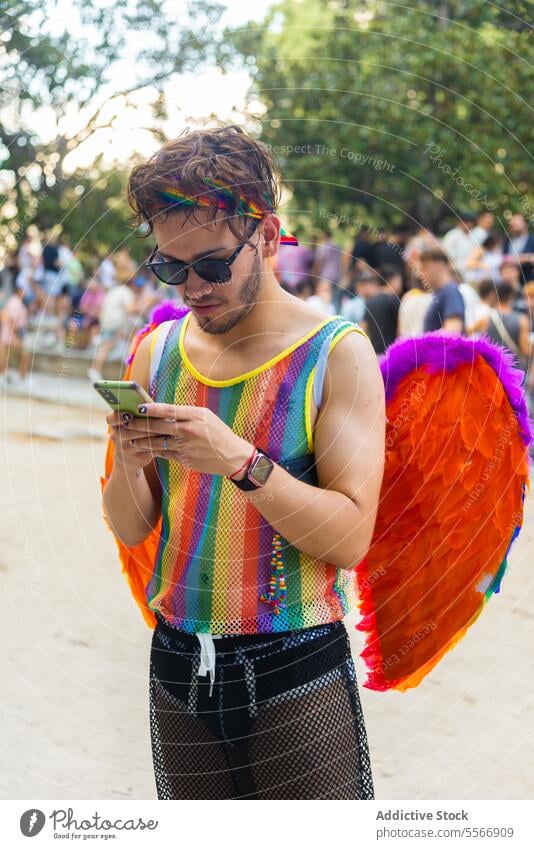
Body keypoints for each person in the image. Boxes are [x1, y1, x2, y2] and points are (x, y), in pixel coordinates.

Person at [101, 124, 384, 800]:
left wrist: (239, 460)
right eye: (171, 267)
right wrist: (130, 463)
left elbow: (349, 537)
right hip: (177, 660)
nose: (192, 286)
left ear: (266, 235)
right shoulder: (157, 353)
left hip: (294, 660)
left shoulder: (335, 353)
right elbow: (131, 525)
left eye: (212, 264)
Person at [469, 282, 531, 375]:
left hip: (494, 370)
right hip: (515, 372)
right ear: (511, 297)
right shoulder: (522, 319)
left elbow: (467, 332)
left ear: (495, 296)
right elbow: (526, 350)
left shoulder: (486, 319)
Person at [87, 279, 137, 382]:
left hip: (107, 321)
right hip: (115, 322)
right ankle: (95, 370)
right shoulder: (126, 292)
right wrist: (142, 307)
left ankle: (97, 370)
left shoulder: (113, 290)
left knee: (111, 345)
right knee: (106, 346)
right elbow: (129, 309)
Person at [420, 249, 465, 334]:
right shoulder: (442, 293)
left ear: (439, 266)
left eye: (425, 267)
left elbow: (453, 331)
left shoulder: (450, 291)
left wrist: (425, 343)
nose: (421, 273)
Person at [361, 264, 403, 353]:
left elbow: (364, 328)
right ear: (393, 280)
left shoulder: (369, 302)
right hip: (391, 352)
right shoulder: (393, 301)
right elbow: (400, 330)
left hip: (374, 353)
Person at [0, 282, 31, 387]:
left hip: (13, 337)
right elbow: (13, 321)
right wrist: (21, 335)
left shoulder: (16, 302)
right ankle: (20, 379)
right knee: (7, 359)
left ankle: (20, 378)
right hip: (12, 337)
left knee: (20, 357)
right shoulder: (14, 302)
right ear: (19, 290)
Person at [503, 214, 534, 285]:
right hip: (511, 283)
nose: (514, 225)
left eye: (517, 223)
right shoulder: (507, 241)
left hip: (529, 281)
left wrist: (527, 258)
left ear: (526, 224)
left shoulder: (532, 240)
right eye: (512, 224)